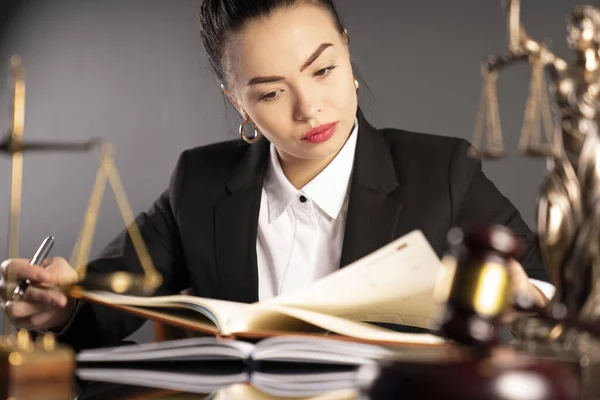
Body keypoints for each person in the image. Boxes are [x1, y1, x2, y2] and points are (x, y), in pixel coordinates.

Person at [0, 0, 553, 351]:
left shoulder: (443, 171)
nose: (309, 107)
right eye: (269, 92)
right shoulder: (200, 182)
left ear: (348, 51)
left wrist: (523, 297)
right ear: (237, 103)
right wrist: (57, 307)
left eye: (324, 69)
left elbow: (546, 284)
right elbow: (107, 308)